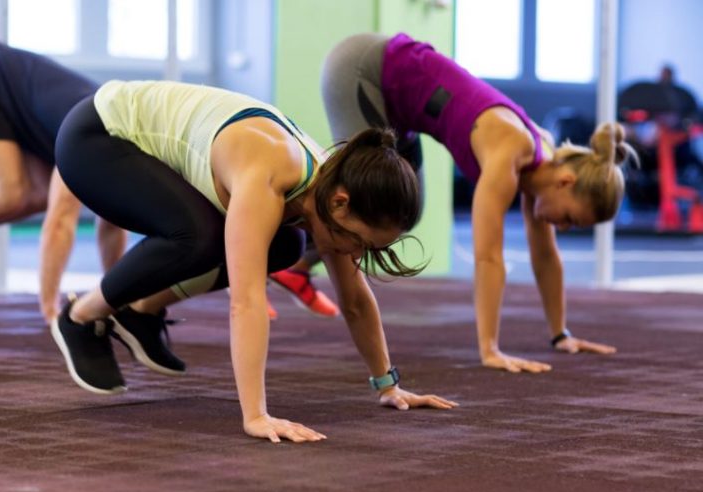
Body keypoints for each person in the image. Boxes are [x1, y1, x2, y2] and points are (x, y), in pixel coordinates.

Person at [51, 79, 457, 443]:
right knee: (199, 236)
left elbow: (354, 298)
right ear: (340, 203)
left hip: (133, 146)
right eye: (358, 243)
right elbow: (245, 301)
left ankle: (140, 312)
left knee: (285, 248)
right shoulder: (272, 173)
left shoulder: (333, 188)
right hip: (97, 136)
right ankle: (80, 316)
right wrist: (256, 415)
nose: (355, 256)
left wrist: (388, 385)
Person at [312, 32, 637, 374]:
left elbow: (545, 255)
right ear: (566, 181)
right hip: (363, 70)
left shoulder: (543, 164)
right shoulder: (512, 149)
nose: (564, 227)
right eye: (570, 217)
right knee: (367, 205)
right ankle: (291, 252)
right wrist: (490, 349)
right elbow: (488, 256)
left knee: (404, 213)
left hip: (397, 108)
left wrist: (561, 335)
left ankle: (300, 264)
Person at [0, 42, 127, 322]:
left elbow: (113, 221)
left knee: (38, 195)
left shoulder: (123, 155)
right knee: (6, 195)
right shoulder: (93, 139)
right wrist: (50, 310)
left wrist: (120, 301)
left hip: (14, 98)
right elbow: (60, 223)